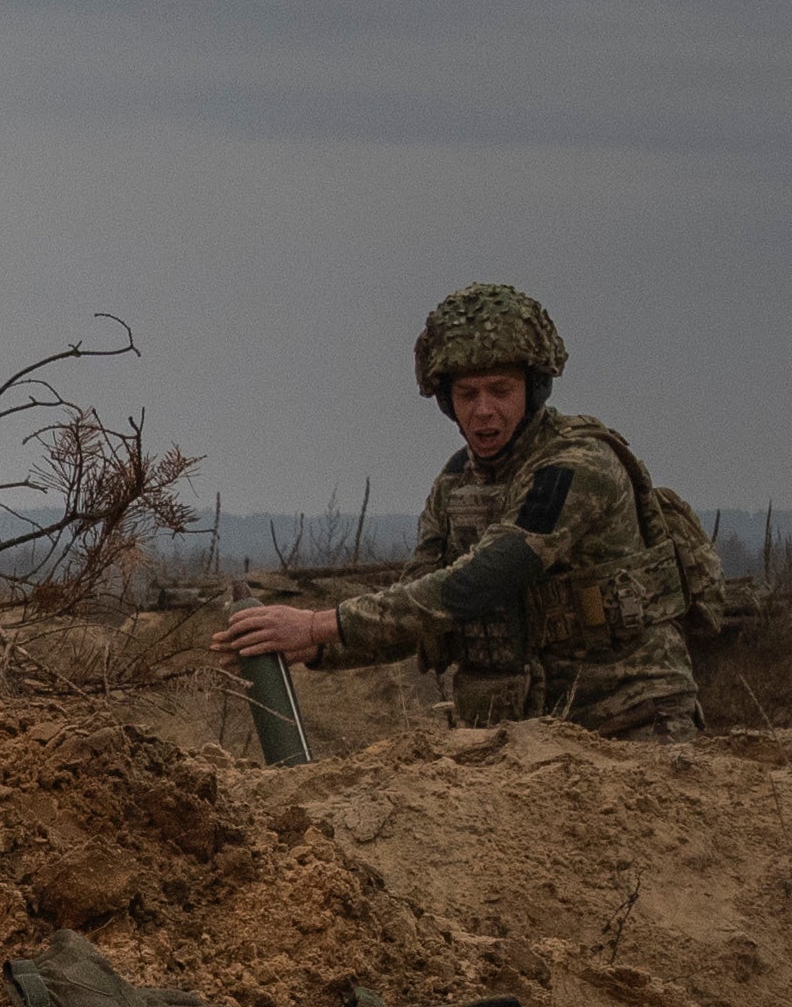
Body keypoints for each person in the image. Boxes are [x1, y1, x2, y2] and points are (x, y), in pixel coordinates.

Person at [214, 284, 700, 740]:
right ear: (448, 402)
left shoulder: (576, 466)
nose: (483, 410)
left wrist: (320, 624)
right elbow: (418, 607)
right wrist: (316, 647)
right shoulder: (455, 483)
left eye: (500, 390)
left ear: (533, 391)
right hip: (519, 738)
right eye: (468, 395)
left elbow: (487, 576)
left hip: (629, 723)